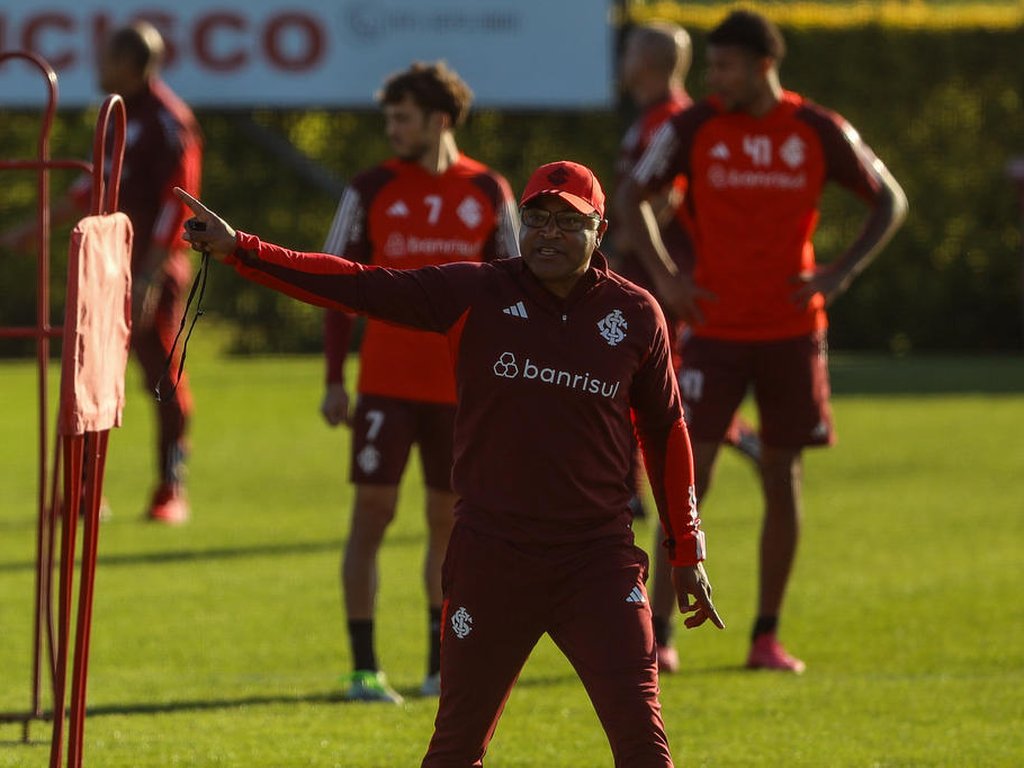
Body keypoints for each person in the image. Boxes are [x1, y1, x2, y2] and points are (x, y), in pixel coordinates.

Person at [175, 159, 724, 766]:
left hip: (597, 561)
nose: (549, 234)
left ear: (600, 231)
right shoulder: (476, 291)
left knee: (644, 748)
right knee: (456, 749)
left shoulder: (637, 314)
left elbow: (667, 432)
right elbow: (358, 284)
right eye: (537, 218)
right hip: (492, 558)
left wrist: (687, 549)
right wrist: (241, 249)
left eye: (569, 222)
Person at [617, 9, 908, 673]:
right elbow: (632, 194)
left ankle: (766, 636)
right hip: (714, 330)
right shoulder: (695, 126)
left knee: (782, 473)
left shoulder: (817, 129)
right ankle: (659, 634)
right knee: (687, 478)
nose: (713, 79)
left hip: (792, 331)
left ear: (763, 66)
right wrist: (668, 277)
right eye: (712, 65)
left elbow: (888, 199)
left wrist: (839, 273)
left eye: (725, 67)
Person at [318, 62, 519, 703]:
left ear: (439, 119)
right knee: (371, 516)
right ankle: (363, 668)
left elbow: (517, 294)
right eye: (390, 118)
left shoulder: (487, 189)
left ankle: (440, 667)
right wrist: (334, 377)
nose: (393, 129)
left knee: (447, 524)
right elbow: (334, 282)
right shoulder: (371, 186)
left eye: (402, 118)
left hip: (460, 392)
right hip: (385, 385)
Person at [1, 22, 202, 524]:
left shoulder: (169, 122)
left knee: (162, 379)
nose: (98, 65)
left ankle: (170, 489)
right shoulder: (115, 116)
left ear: (131, 64)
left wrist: (150, 274)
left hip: (151, 270)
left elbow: (177, 204)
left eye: (107, 57)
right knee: (89, 377)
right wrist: (34, 227)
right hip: (106, 268)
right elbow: (91, 186)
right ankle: (85, 493)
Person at [613, 20, 762, 674]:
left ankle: (731, 433)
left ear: (649, 60)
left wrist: (643, 252)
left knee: (667, 420)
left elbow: (667, 197)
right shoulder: (650, 118)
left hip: (669, 298)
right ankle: (719, 441)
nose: (620, 60)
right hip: (652, 290)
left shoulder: (673, 122)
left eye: (628, 50)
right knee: (641, 407)